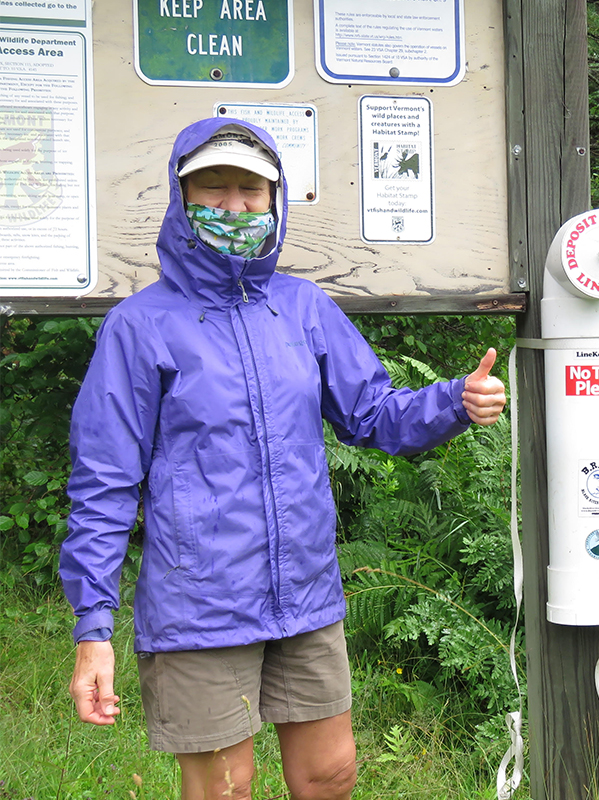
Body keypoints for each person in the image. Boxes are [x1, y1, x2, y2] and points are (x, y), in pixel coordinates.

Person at [60, 117, 507, 800]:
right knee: (224, 790)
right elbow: (104, 486)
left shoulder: (302, 306)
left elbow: (372, 414)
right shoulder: (139, 327)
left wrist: (455, 400)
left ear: (276, 199)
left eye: (251, 188)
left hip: (305, 595)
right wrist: (93, 630)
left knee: (331, 776)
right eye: (214, 189)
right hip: (199, 607)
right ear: (183, 200)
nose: (234, 205)